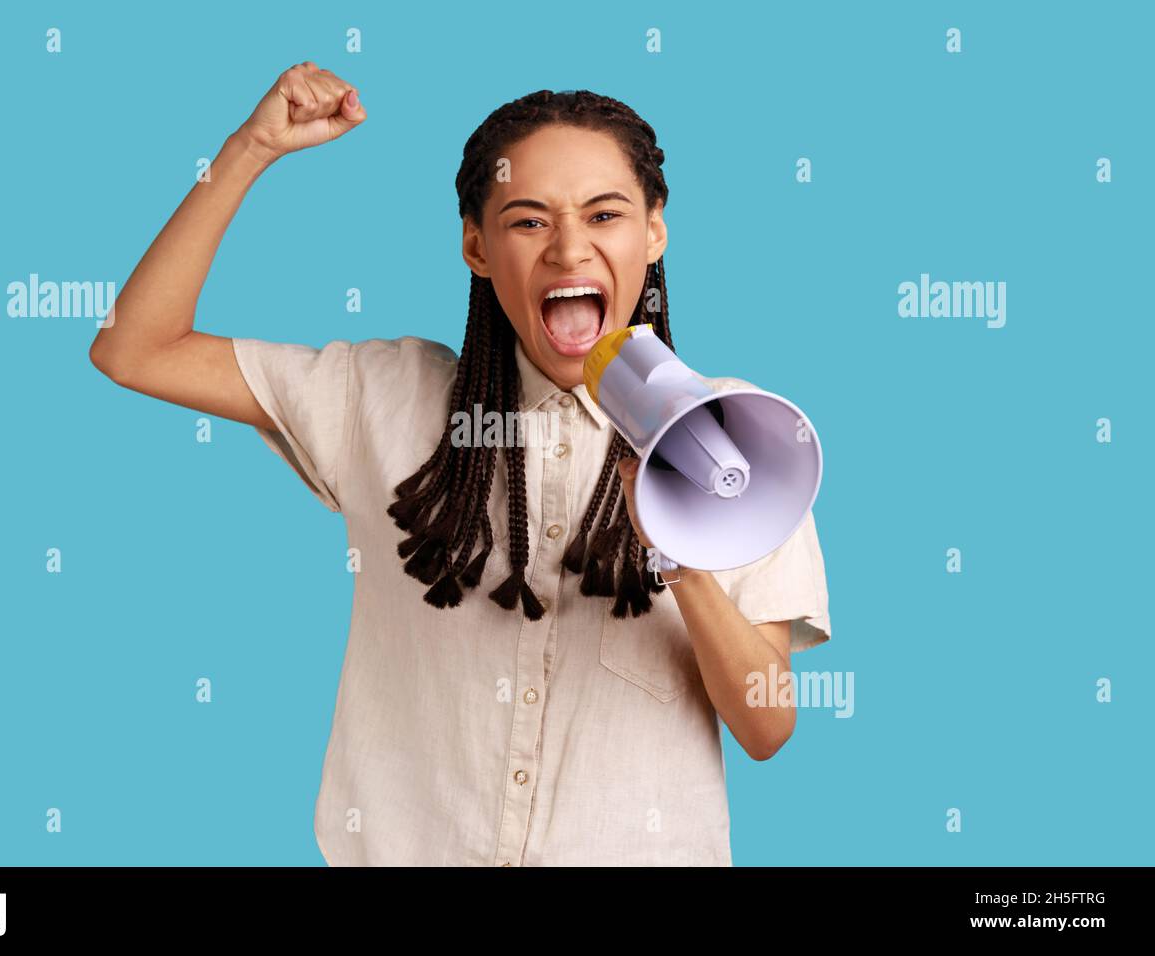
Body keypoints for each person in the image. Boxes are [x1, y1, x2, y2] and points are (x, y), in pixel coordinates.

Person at [89, 62, 832, 866]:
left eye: (605, 214)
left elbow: (766, 727)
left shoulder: (737, 438)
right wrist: (248, 149)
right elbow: (135, 348)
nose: (569, 248)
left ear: (654, 232)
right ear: (476, 246)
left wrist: (680, 552)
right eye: (528, 221)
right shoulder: (380, 397)